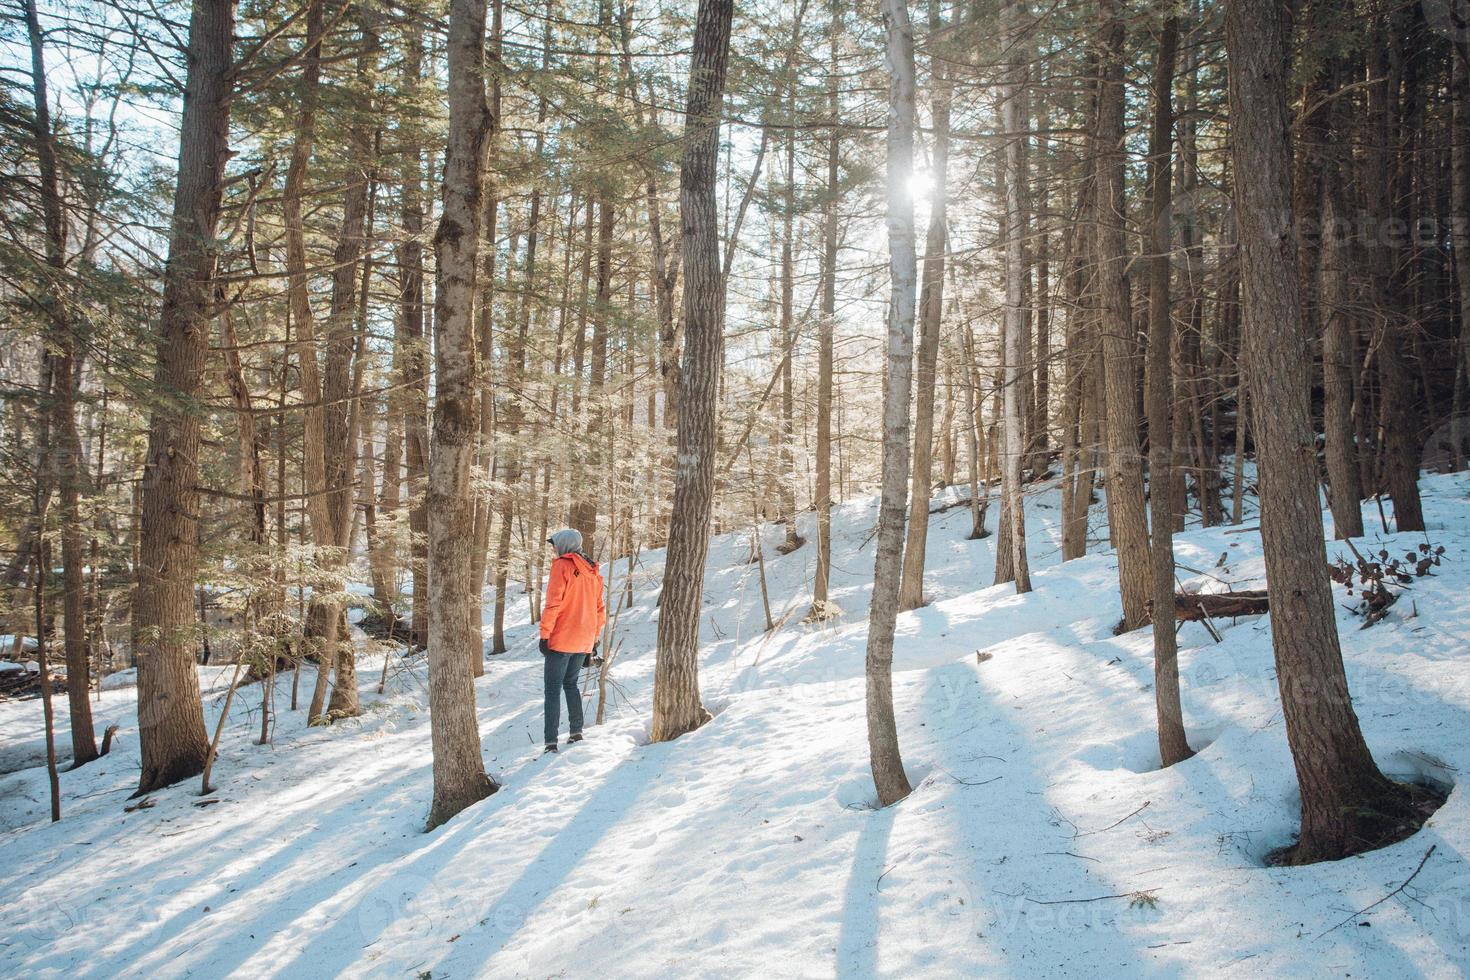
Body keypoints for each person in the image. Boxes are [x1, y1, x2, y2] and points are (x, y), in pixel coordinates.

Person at [539, 528, 605, 753]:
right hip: (584, 640)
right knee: (571, 684)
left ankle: (550, 742)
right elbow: (600, 610)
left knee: (552, 690)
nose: (553, 549)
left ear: (564, 545)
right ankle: (576, 732)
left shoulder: (562, 566)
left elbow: (553, 604)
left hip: (562, 638)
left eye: (555, 544)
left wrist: (544, 635)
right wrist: (593, 640)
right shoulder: (593, 572)